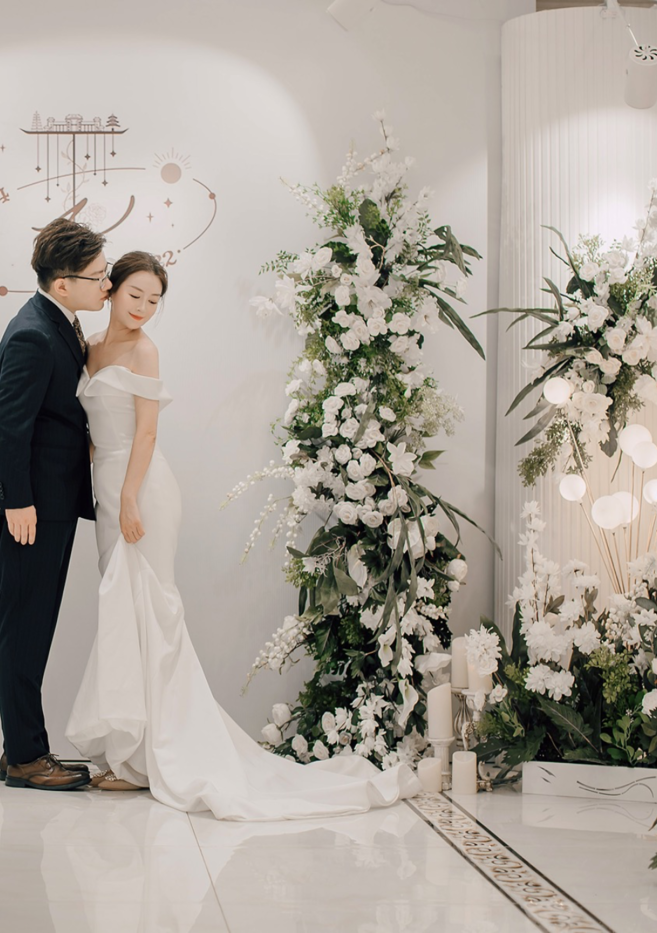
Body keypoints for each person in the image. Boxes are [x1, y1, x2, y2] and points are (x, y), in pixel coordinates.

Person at [64, 251, 421, 819]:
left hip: (142, 488)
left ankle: (155, 755)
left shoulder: (145, 351)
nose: (143, 308)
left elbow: (146, 433)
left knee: (152, 610)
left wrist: (129, 496)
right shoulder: (90, 346)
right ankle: (130, 754)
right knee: (122, 613)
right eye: (135, 295)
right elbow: (91, 429)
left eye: (154, 300)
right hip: (108, 489)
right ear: (111, 290)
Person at [0, 218, 110, 791]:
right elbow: (10, 426)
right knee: (25, 627)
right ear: (63, 284)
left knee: (34, 624)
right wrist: (19, 504)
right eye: (98, 277)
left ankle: (23, 748)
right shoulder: (32, 333)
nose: (106, 284)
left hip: (48, 499)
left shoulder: (60, 323)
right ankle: (26, 757)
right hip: (29, 506)